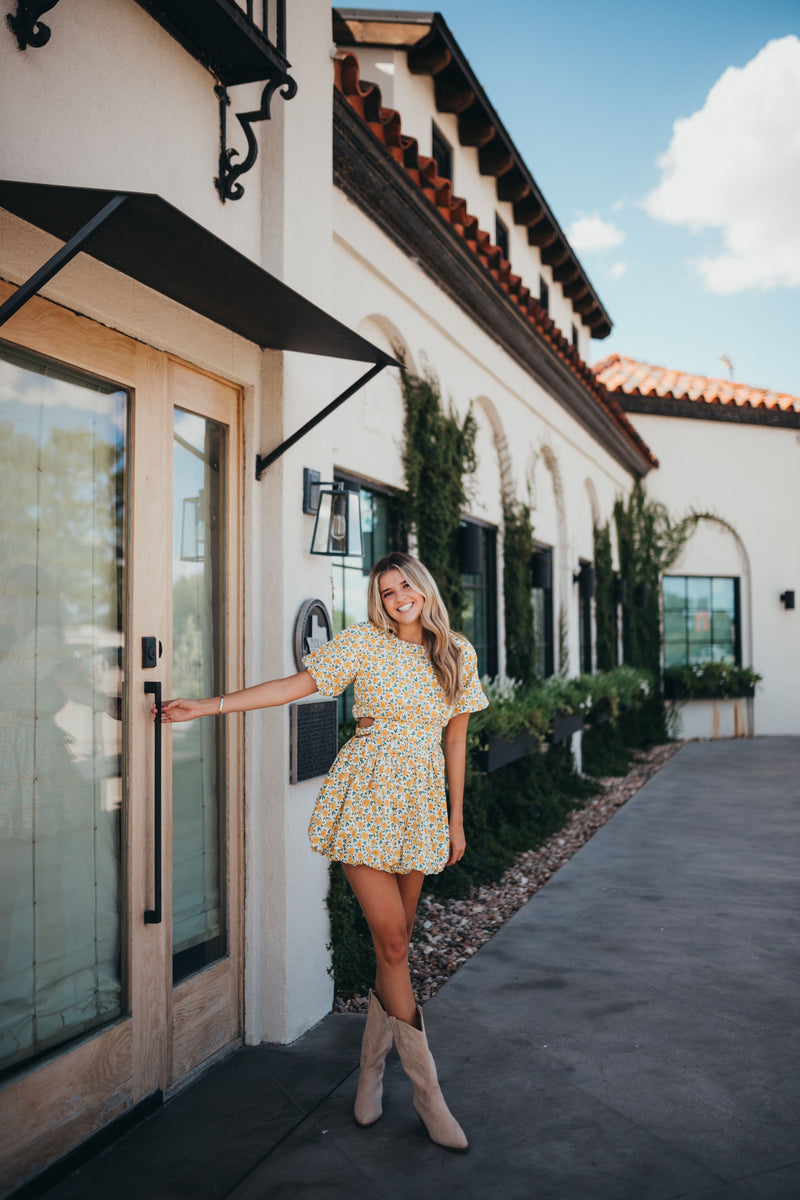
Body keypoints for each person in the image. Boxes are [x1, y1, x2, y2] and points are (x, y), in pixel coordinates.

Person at [159, 552, 488, 1151]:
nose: (398, 598)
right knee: (390, 942)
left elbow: (456, 741)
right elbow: (293, 686)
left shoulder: (457, 653)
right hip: (364, 795)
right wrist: (208, 706)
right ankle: (429, 1094)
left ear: (424, 588)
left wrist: (455, 818)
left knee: (400, 948)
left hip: (419, 807)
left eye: (405, 586)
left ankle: (369, 1071)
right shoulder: (363, 643)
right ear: (379, 601)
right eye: (386, 592)